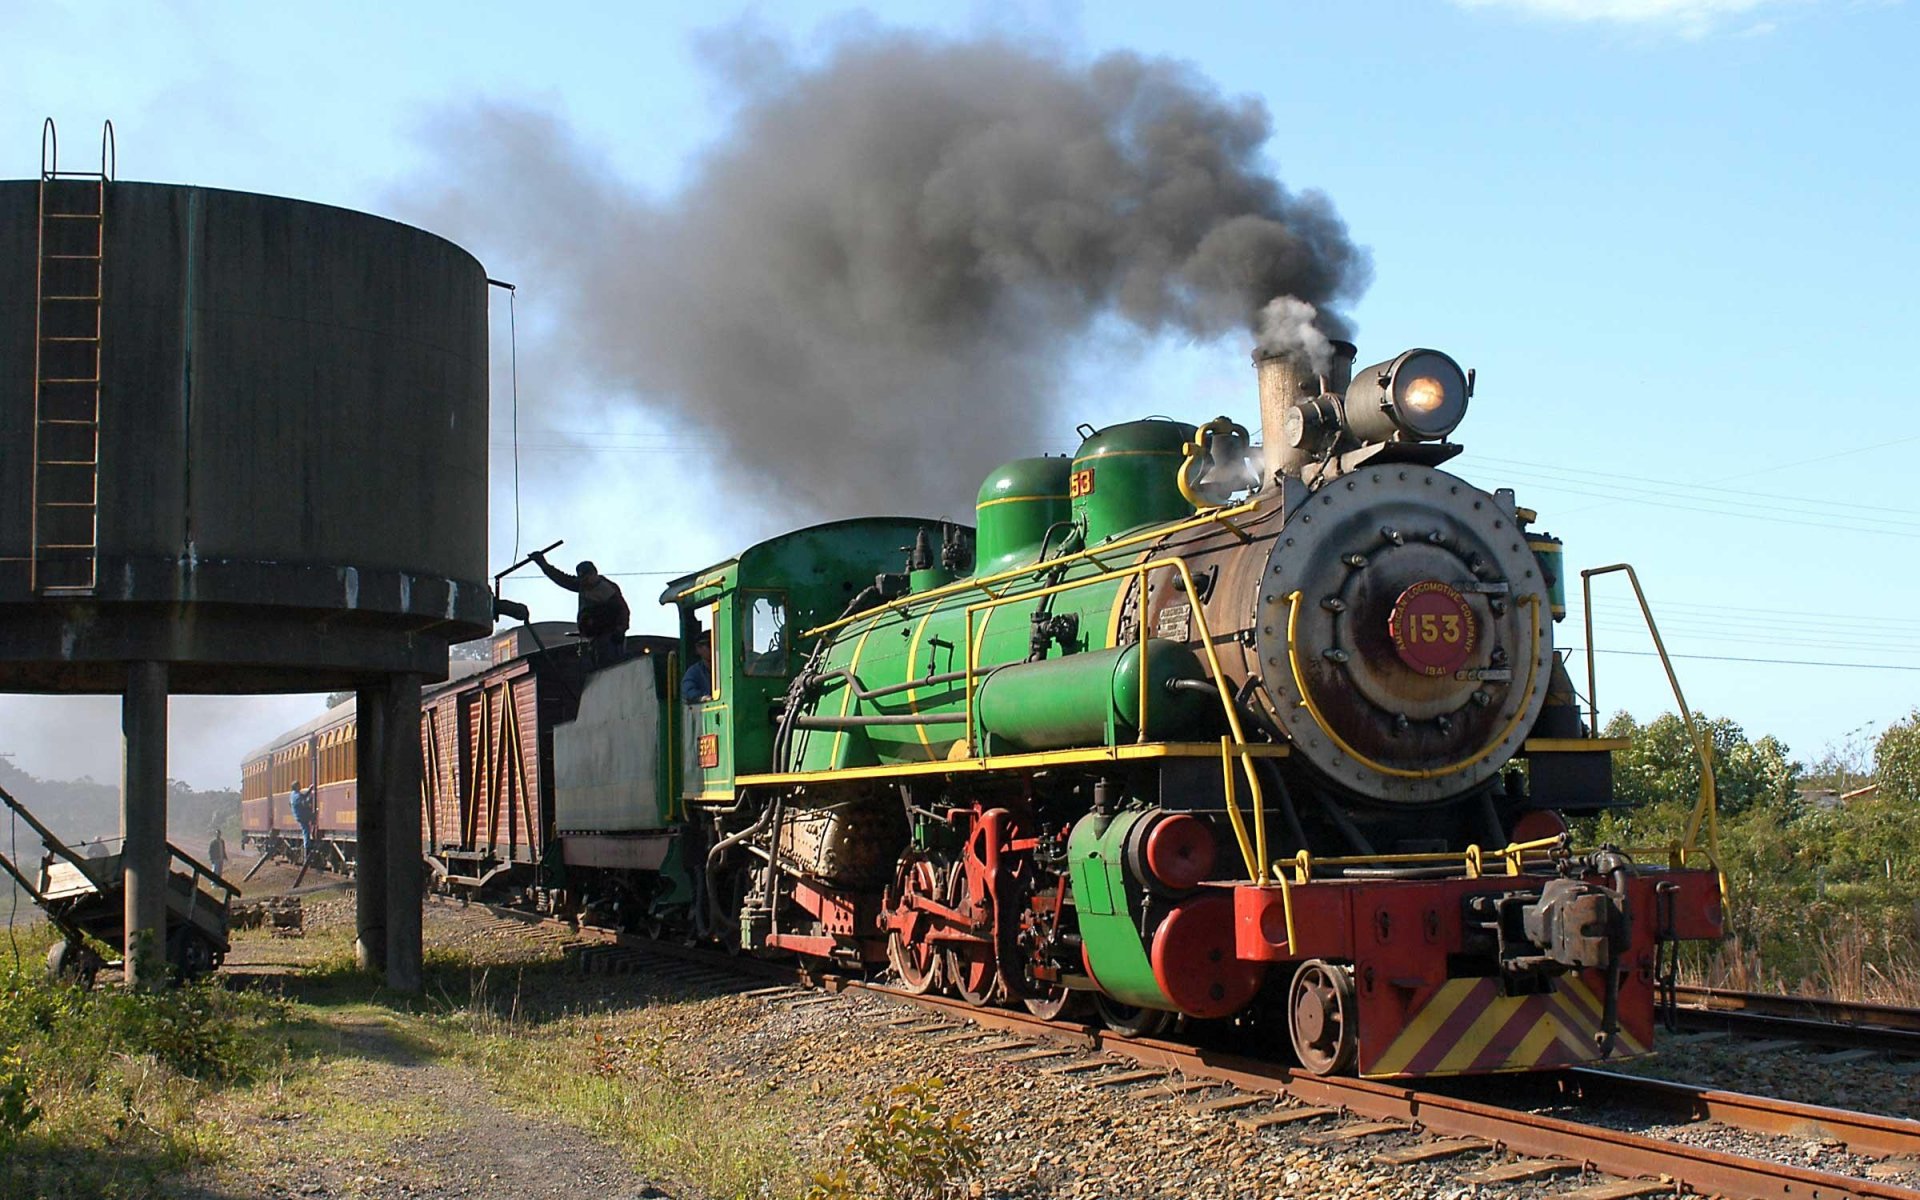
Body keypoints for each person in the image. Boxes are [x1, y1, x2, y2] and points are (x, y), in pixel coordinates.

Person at [531, 551, 630, 667]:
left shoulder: (605, 588)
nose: (585, 580)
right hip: (595, 638)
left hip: (609, 637)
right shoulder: (584, 586)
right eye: (582, 578)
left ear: (594, 574)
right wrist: (543, 565)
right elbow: (562, 579)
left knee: (610, 668)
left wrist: (621, 629)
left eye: (587, 576)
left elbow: (623, 609)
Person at [681, 634, 712, 704]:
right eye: (709, 645)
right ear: (698, 649)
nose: (713, 649)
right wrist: (701, 698)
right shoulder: (693, 672)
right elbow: (687, 691)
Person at [289, 780, 315, 861]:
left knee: (306, 829)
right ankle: (307, 849)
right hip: (302, 815)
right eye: (299, 785)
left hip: (299, 815)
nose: (300, 786)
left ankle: (308, 845)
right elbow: (303, 802)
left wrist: (309, 790)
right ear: (296, 787)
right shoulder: (296, 796)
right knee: (306, 831)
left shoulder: (293, 794)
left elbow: (303, 796)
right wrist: (310, 800)